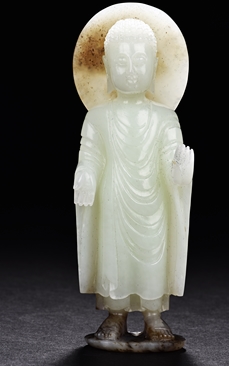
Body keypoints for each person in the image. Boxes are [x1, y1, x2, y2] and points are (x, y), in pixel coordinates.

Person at [73, 19, 194, 342]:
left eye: (139, 61)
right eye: (121, 62)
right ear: (107, 66)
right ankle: (115, 315)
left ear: (154, 65)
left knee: (153, 258)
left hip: (154, 203)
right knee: (114, 260)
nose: (130, 71)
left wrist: (180, 171)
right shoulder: (97, 117)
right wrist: (85, 175)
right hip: (113, 200)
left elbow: (171, 157)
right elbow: (90, 155)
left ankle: (154, 315)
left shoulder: (166, 118)